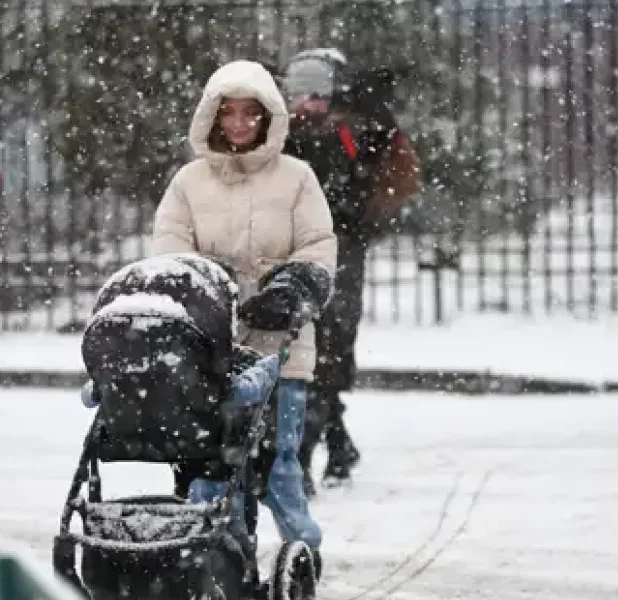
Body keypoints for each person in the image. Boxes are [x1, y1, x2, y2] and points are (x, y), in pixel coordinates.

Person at [149, 59, 337, 565]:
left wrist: (293, 287)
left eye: (249, 114)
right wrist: (207, 287)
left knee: (279, 459)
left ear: (267, 117)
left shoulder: (297, 178)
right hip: (210, 345)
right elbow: (169, 252)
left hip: (280, 345)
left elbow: (318, 246)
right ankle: (223, 552)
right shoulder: (188, 183)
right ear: (211, 117)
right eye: (227, 113)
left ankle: (302, 546)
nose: (237, 124)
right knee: (213, 461)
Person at [279, 49, 422, 495]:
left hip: (339, 253)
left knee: (326, 346)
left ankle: (305, 456)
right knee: (306, 349)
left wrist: (359, 221)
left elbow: (391, 181)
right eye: (298, 94)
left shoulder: (352, 132)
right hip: (293, 253)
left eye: (317, 94)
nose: (307, 105)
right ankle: (335, 444)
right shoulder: (280, 134)